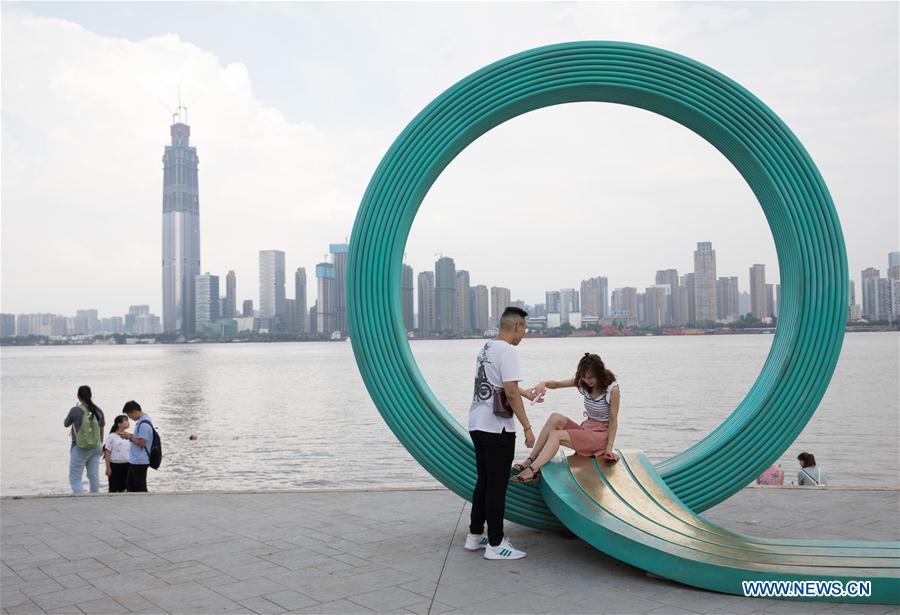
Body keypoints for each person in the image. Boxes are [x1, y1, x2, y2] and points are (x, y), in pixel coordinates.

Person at [464, 307, 536, 560]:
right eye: (525, 328)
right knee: (497, 486)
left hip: (477, 423)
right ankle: (496, 544)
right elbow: (511, 393)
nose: (525, 333)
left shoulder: (487, 348)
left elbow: (502, 385)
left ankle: (475, 535)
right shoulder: (509, 351)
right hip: (497, 428)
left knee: (483, 481)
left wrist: (525, 392)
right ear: (516, 326)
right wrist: (527, 427)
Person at [512, 353, 620, 484]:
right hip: (587, 430)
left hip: (600, 436)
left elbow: (613, 421)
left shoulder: (612, 390)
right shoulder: (583, 383)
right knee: (555, 417)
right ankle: (530, 459)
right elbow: (557, 384)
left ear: (599, 373)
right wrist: (543, 383)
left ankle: (532, 470)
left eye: (591, 378)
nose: (588, 381)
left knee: (556, 435)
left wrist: (609, 448)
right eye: (584, 378)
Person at [63, 385, 106, 494]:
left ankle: (81, 499)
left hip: (80, 447)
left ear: (78, 396)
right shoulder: (98, 410)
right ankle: (94, 497)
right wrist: (100, 444)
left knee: (75, 478)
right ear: (91, 395)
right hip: (96, 447)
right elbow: (101, 428)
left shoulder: (75, 410)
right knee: (94, 476)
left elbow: (66, 423)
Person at [118, 401, 154, 492]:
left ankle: (143, 504)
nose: (130, 418)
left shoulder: (144, 424)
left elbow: (142, 443)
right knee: (131, 487)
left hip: (140, 461)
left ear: (134, 411)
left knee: (139, 488)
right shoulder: (142, 422)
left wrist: (129, 437)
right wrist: (130, 436)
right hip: (136, 460)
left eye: (130, 416)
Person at [103, 415, 131, 493]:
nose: (128, 422)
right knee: (114, 488)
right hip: (115, 465)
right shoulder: (111, 437)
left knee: (126, 488)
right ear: (119, 424)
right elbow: (107, 452)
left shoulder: (129, 435)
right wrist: (108, 467)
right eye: (126, 420)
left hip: (127, 464)